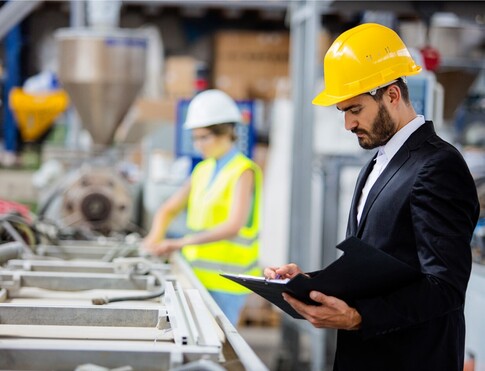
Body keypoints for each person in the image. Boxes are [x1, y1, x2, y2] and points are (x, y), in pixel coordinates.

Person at [264, 23, 480, 370]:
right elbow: (379, 265)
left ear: (392, 95)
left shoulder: (438, 165)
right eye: (344, 112)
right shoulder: (378, 163)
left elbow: (444, 286)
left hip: (411, 359)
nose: (348, 124)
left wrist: (358, 316)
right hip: (367, 356)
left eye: (355, 110)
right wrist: (310, 283)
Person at [143, 89, 262, 326]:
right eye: (195, 138)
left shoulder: (243, 171)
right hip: (196, 276)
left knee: (221, 352)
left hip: (228, 282)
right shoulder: (202, 170)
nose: (199, 145)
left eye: (204, 137)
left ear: (227, 132)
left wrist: (179, 243)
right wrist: (153, 239)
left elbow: (233, 226)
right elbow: (168, 208)